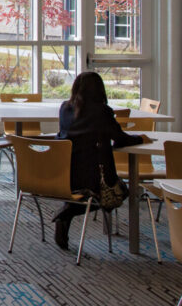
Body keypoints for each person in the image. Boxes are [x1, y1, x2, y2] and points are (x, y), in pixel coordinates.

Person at [52, 71, 149, 250]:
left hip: (65, 174)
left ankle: (69, 209)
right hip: (95, 177)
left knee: (88, 195)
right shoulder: (102, 112)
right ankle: (69, 211)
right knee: (121, 193)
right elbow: (121, 138)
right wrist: (141, 138)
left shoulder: (65, 108)